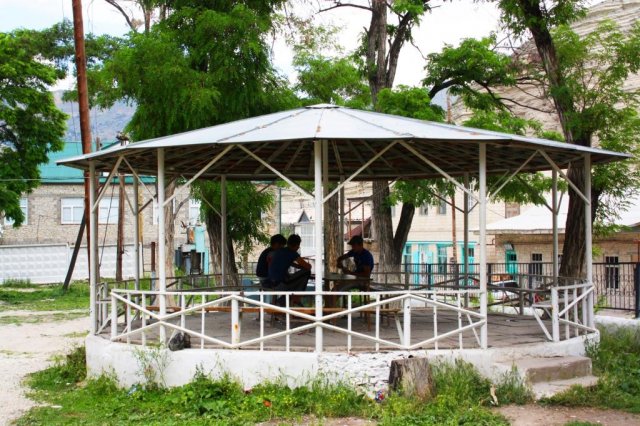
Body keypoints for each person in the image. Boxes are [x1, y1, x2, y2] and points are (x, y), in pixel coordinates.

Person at [268, 234, 312, 306]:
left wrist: (299, 267)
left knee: (296, 281)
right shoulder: (292, 253)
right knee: (307, 272)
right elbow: (308, 267)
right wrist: (304, 267)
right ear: (297, 245)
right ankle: (297, 297)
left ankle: (281, 302)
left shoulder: (281, 250)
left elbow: (289, 263)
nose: (298, 247)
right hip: (279, 283)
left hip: (272, 281)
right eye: (298, 246)